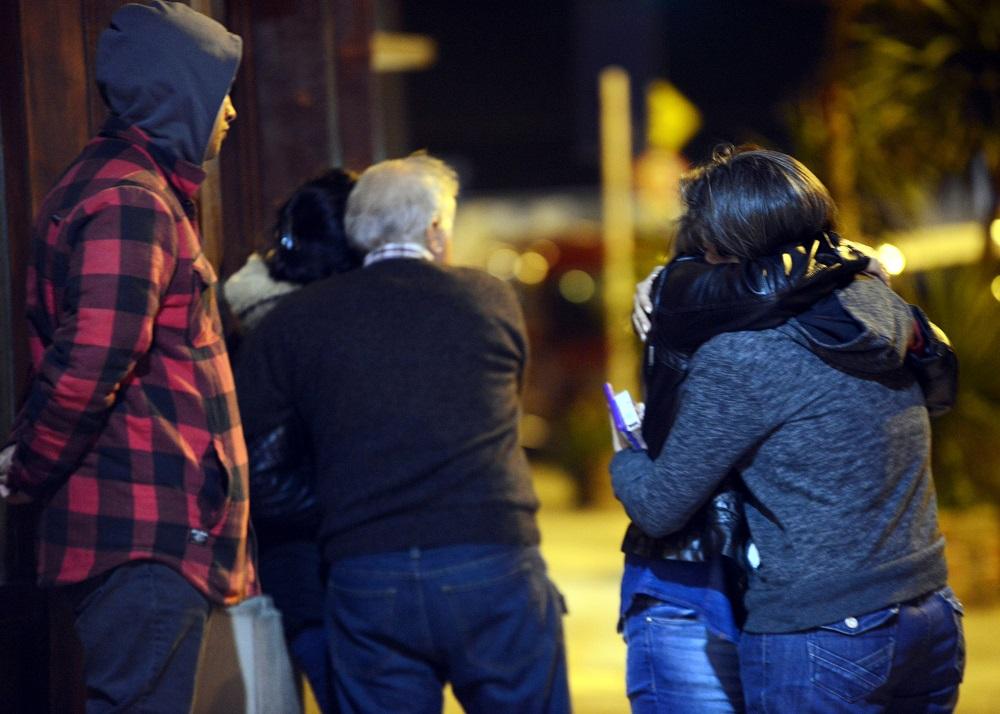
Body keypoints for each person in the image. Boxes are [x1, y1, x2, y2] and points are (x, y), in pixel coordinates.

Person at [611, 146, 964, 713]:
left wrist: (624, 458)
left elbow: (659, 507)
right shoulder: (880, 305)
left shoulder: (746, 356)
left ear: (724, 246)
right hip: (928, 611)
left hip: (826, 631)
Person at [235, 154, 571, 714]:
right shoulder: (489, 299)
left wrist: (346, 504)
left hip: (366, 569)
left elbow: (257, 463)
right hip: (487, 555)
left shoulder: (292, 324)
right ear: (437, 230)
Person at [0, 3, 254, 711]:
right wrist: (28, 466)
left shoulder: (131, 189)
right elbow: (92, 361)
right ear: (176, 93)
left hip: (143, 532)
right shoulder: (131, 200)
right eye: (219, 89)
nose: (230, 110)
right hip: (142, 537)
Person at [224, 168, 361, 713]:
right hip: (327, 569)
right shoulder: (319, 333)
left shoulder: (252, 323)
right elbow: (270, 474)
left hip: (287, 568)